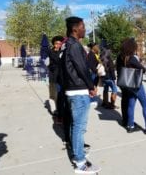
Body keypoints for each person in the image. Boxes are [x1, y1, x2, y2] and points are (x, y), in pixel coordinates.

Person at [61, 16, 101, 174]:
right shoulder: (74, 45)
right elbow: (81, 68)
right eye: (83, 26)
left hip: (72, 89)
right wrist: (91, 86)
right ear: (75, 29)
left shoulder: (67, 45)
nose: (85, 29)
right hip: (78, 90)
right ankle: (80, 162)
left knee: (74, 125)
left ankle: (76, 153)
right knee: (79, 127)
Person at [117, 38, 146, 134]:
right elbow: (143, 69)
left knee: (131, 104)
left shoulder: (122, 57)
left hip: (128, 85)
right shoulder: (132, 58)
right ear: (132, 48)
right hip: (136, 84)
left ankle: (130, 126)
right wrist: (141, 66)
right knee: (145, 105)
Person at [48, 36, 64, 123]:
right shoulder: (51, 52)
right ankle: (54, 111)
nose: (58, 45)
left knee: (60, 96)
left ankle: (59, 111)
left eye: (59, 43)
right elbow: (56, 61)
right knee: (53, 95)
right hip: (53, 77)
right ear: (54, 44)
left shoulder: (62, 52)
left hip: (61, 78)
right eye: (56, 43)